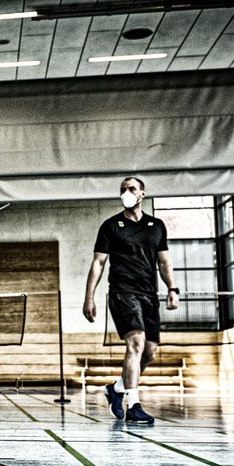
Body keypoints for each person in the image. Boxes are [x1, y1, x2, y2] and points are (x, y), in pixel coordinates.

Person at [82, 176, 179, 424]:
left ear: (142, 194)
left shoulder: (156, 226)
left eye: (132, 188)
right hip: (123, 292)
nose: (126, 192)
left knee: (149, 352)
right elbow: (98, 263)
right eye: (123, 189)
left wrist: (172, 288)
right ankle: (133, 405)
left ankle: (115, 390)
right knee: (136, 342)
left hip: (149, 295)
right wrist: (89, 297)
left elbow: (164, 261)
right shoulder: (111, 226)